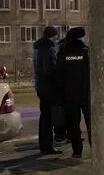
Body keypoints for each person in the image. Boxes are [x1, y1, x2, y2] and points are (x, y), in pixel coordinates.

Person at [57, 27, 91, 157]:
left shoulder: (63, 54)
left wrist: (61, 93)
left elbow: (58, 75)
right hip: (86, 95)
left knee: (73, 125)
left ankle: (77, 151)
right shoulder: (86, 52)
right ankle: (97, 150)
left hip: (69, 96)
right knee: (91, 124)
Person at [32, 26, 60, 155]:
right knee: (48, 118)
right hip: (49, 87)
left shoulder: (37, 49)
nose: (56, 38)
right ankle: (47, 146)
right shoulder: (48, 49)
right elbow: (49, 69)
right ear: (51, 36)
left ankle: (44, 145)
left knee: (44, 117)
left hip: (40, 87)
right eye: (55, 35)